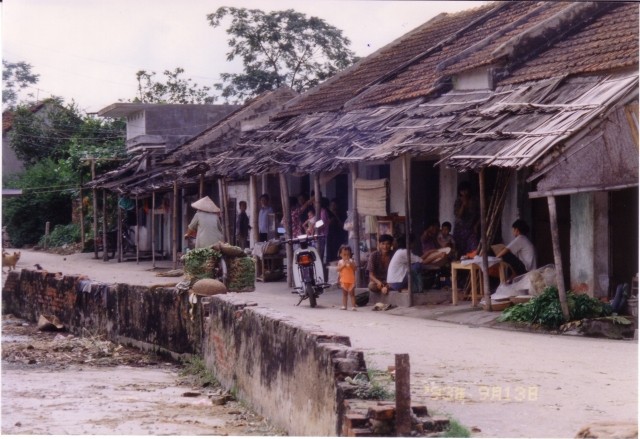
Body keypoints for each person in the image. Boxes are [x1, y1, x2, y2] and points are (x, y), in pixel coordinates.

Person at [453, 181, 480, 258]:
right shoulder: (458, 201)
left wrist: (476, 226)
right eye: (462, 191)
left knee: (474, 248)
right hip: (460, 230)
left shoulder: (475, 200)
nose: (464, 193)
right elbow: (458, 215)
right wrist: (463, 205)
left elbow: (480, 215)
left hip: (471, 229)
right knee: (459, 250)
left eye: (466, 190)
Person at [336, 244, 357, 311]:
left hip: (351, 281)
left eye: (348, 255)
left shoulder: (351, 261)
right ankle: (344, 306)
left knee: (352, 294)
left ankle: (353, 306)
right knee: (344, 294)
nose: (346, 256)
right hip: (343, 280)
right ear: (341, 255)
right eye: (344, 255)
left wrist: (351, 264)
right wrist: (343, 265)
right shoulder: (340, 262)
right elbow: (338, 270)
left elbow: (355, 269)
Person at [326, 198, 347, 263]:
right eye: (332, 205)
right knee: (330, 251)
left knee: (337, 250)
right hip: (330, 235)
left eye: (335, 205)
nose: (333, 207)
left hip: (338, 235)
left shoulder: (341, 214)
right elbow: (326, 224)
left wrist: (336, 216)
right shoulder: (327, 213)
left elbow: (342, 225)